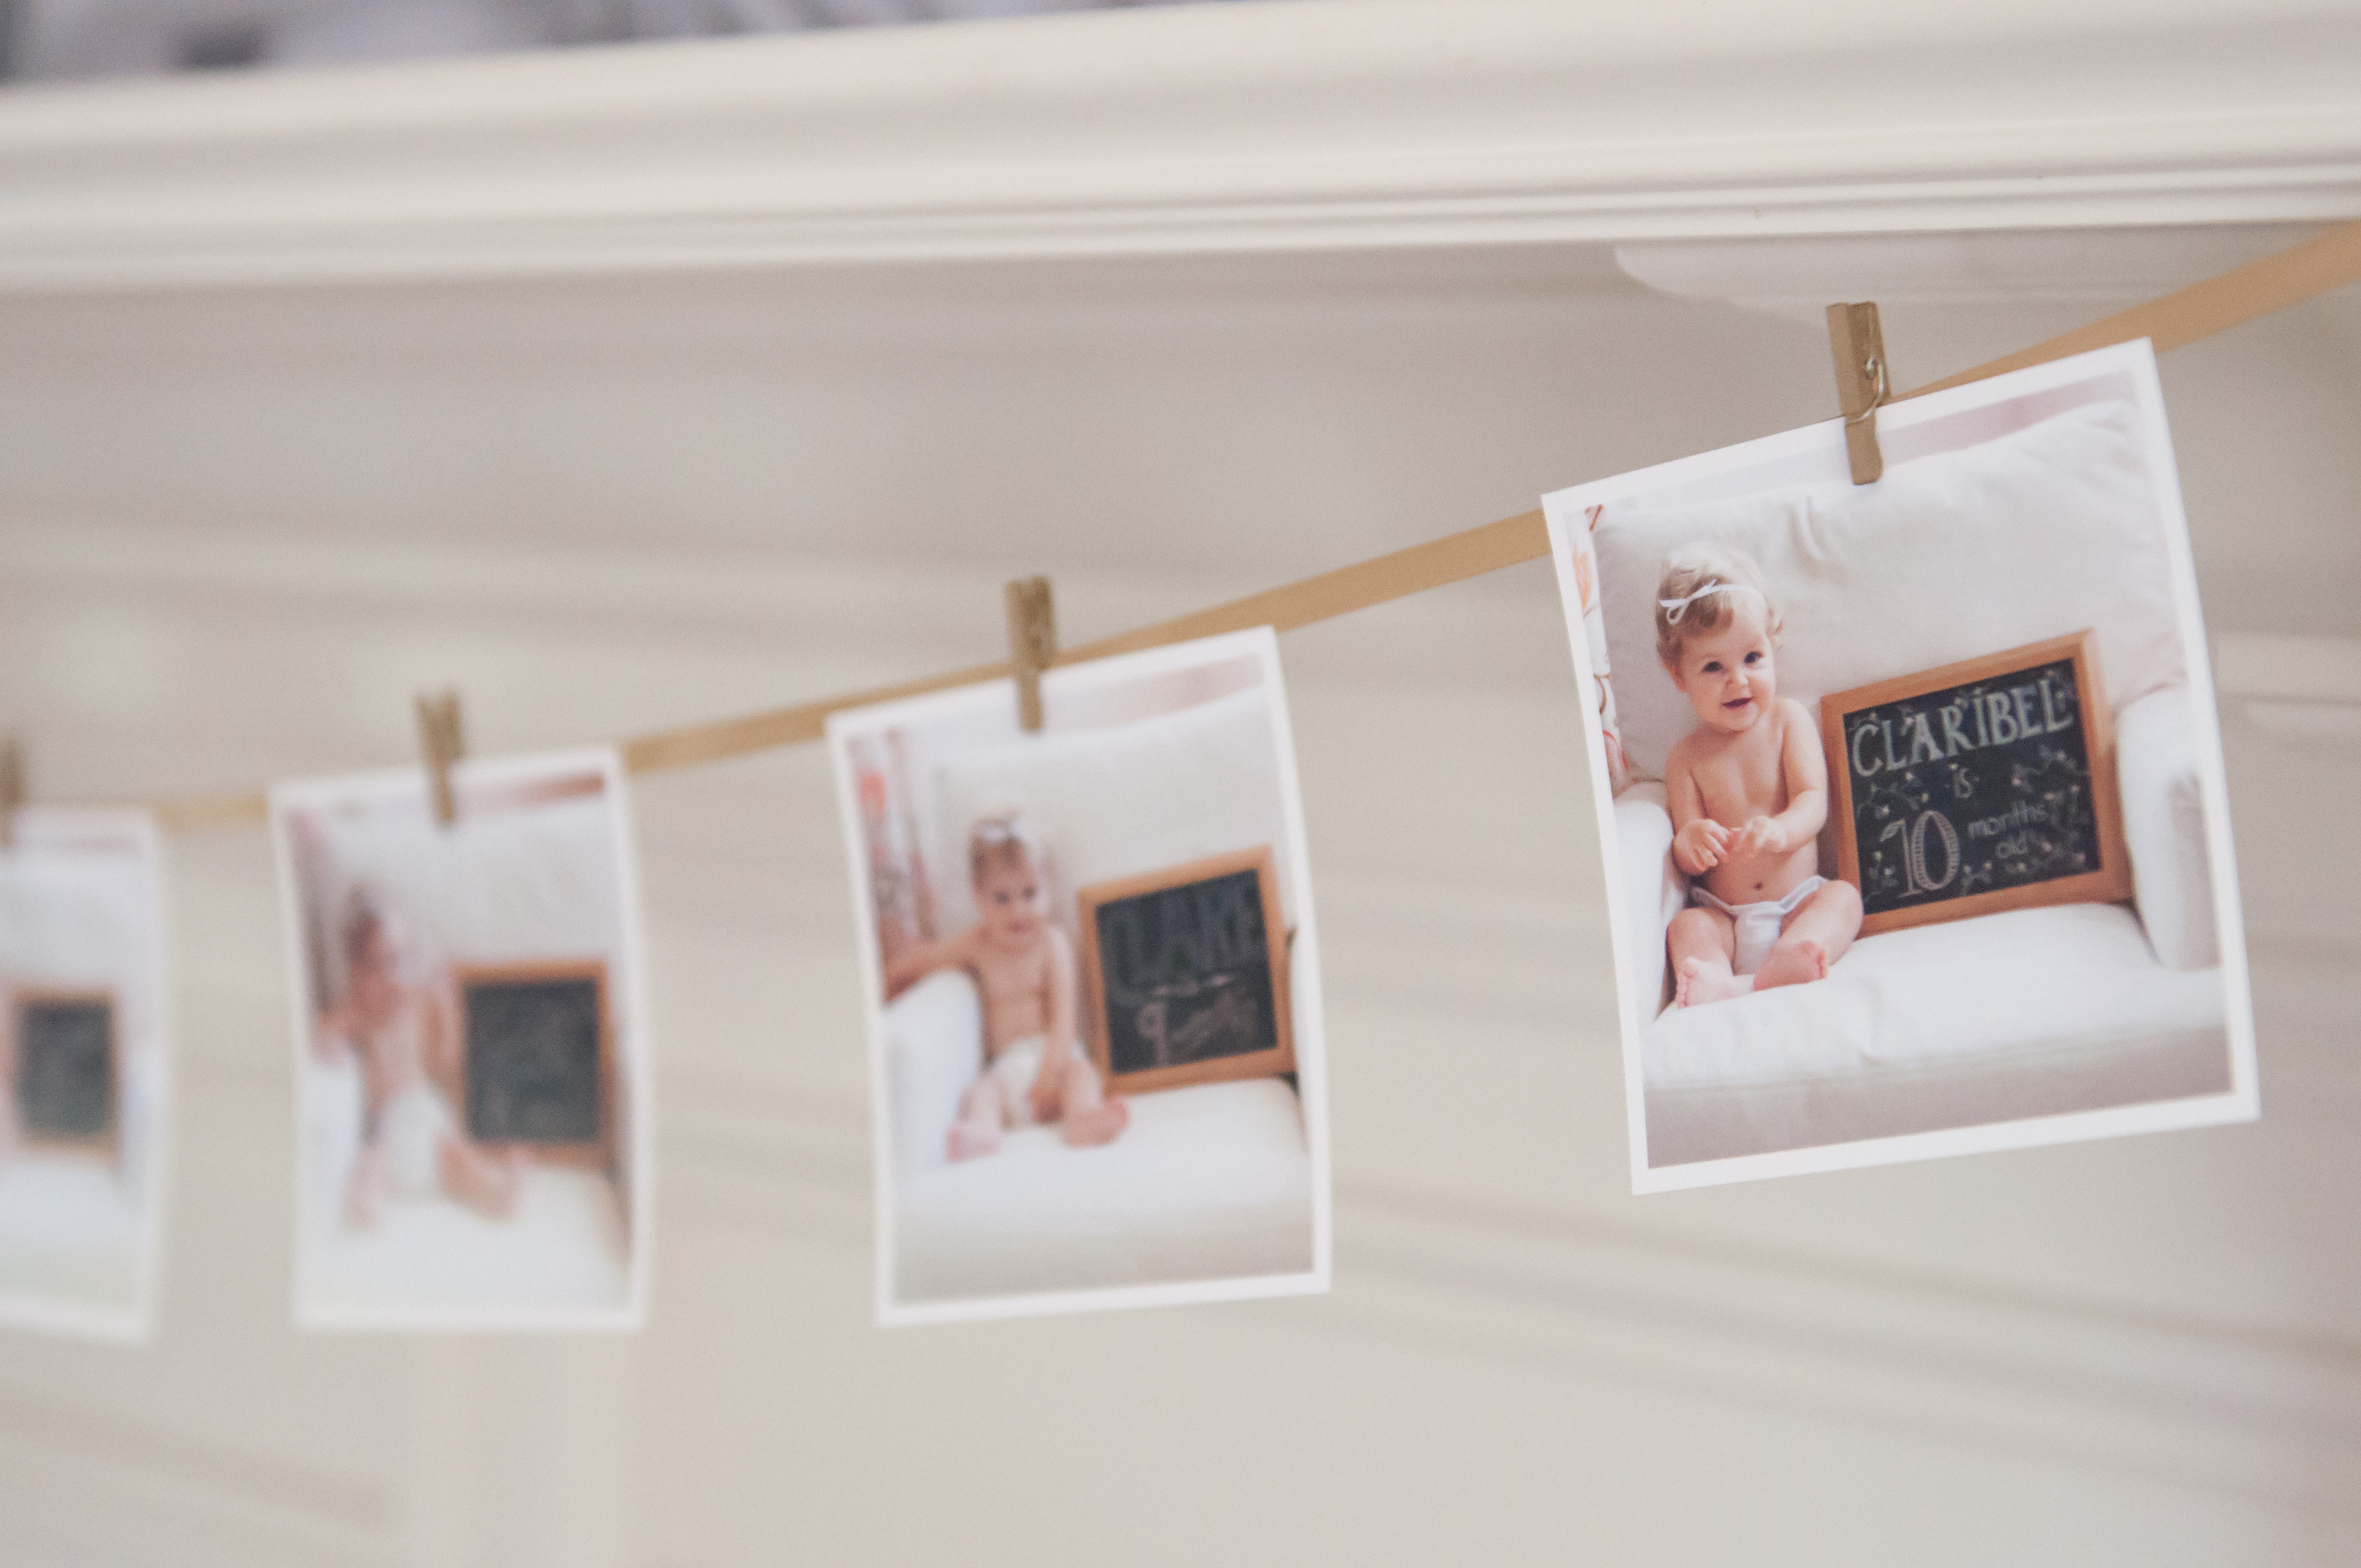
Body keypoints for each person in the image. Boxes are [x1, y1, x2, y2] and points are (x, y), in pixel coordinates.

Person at [1655, 546, 1863, 1008]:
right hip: (1724, 916)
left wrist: (1781, 829)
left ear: (1772, 645)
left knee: (1845, 897)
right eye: (1713, 667)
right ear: (1678, 675)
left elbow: (1813, 799)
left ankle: (1795, 954)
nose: (1739, 680)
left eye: (1752, 657)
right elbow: (1687, 852)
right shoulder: (1685, 757)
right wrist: (1692, 843)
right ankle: (1711, 974)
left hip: (1798, 904)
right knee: (1685, 926)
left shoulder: (1788, 720)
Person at [885, 815, 1128, 1160]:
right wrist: (888, 979)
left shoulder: (1051, 944)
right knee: (979, 1092)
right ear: (978, 897)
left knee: (1085, 1074)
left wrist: (1050, 1073)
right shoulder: (978, 945)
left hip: (1054, 1062)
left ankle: (1083, 1121)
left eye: (1030, 894)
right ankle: (983, 1135)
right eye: (1002, 898)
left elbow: (1064, 1019)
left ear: (1048, 889)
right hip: (1007, 1070)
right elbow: (922, 960)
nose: (1019, 912)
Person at [317, 888, 524, 1225]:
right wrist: (345, 1022)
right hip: (384, 1127)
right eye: (376, 968)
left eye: (400, 961)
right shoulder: (358, 1016)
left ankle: (497, 1195)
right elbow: (322, 1038)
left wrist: (448, 1012)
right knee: (372, 1161)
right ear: (355, 974)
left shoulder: (418, 1006)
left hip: (428, 1122)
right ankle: (368, 1201)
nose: (392, 978)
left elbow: (448, 1063)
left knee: (460, 1159)